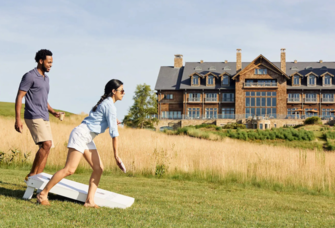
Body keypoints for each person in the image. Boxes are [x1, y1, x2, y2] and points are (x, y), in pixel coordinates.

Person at [37, 79, 125, 208]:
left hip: (86, 137)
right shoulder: (110, 106)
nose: (123, 93)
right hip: (81, 135)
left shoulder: (107, 104)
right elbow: (114, 134)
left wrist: (110, 122)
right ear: (113, 91)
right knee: (70, 169)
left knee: (98, 168)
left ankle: (89, 201)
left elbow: (96, 124)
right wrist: (116, 156)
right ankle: (42, 194)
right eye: (122, 91)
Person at [15, 49, 61, 181]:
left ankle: (36, 180)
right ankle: (31, 176)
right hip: (33, 115)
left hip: (44, 116)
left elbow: (43, 99)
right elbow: (20, 97)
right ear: (41, 61)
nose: (51, 65)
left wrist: (53, 112)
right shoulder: (29, 76)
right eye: (49, 62)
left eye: (52, 62)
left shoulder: (46, 79)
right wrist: (18, 119)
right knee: (46, 144)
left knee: (46, 148)